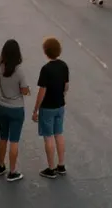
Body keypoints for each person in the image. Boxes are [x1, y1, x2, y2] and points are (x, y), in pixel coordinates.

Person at [0, 40, 29, 182]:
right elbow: (25, 90)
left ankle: (1, 165)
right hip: (16, 108)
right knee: (14, 140)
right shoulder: (19, 70)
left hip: (1, 106)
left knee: (3, 137)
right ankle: (12, 171)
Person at [33, 37, 69, 179]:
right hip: (60, 104)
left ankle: (51, 168)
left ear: (46, 52)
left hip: (47, 107)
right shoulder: (64, 66)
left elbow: (42, 91)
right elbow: (66, 86)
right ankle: (61, 165)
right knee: (58, 134)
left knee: (48, 137)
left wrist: (36, 109)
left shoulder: (46, 69)